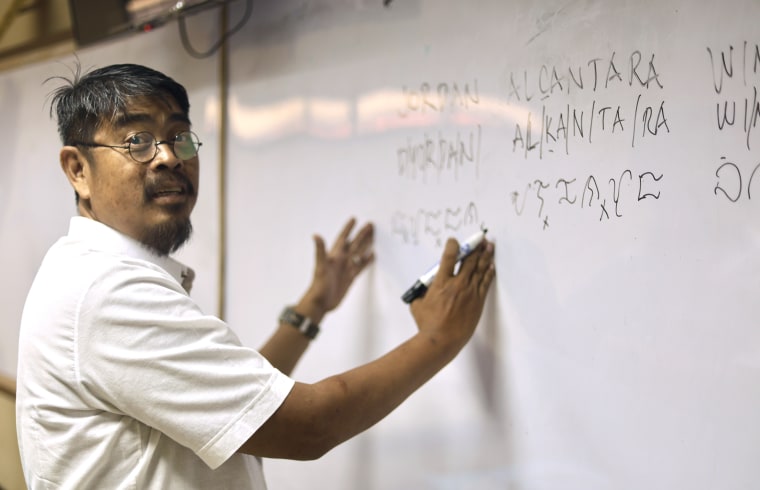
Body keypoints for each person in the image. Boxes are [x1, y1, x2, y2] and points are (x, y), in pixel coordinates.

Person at [15, 63, 496, 489]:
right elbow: (309, 426)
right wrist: (439, 339)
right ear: (78, 169)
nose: (169, 157)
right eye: (137, 140)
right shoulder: (107, 292)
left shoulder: (92, 275)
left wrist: (312, 308)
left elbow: (239, 402)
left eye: (179, 136)